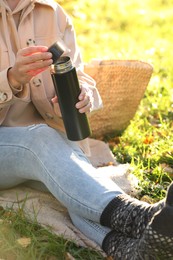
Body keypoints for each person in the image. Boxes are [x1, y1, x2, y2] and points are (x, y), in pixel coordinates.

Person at [0, 1, 173, 259]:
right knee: (41, 140)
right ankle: (142, 216)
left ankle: (130, 249)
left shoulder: (54, 14)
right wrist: (11, 78)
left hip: (50, 142)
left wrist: (84, 96)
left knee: (76, 187)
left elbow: (79, 75)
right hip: (25, 144)